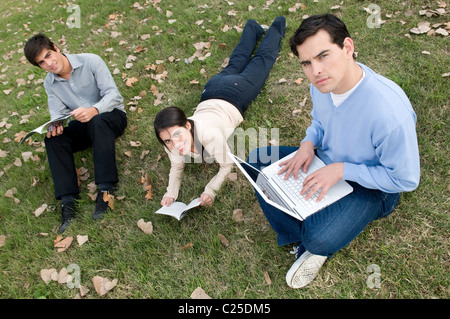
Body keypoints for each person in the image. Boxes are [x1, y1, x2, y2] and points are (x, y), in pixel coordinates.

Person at [245, 14, 420, 288]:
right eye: (307, 63)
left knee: (320, 238)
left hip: (372, 187)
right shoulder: (323, 85)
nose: (315, 71)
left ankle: (313, 238)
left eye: (323, 56)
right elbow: (319, 121)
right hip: (324, 159)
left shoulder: (389, 113)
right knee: (257, 161)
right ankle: (300, 231)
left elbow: (405, 179)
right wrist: (307, 144)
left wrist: (341, 171)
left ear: (347, 48)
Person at [153, 16, 286, 207]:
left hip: (235, 93)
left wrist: (210, 191)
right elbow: (176, 166)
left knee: (262, 61)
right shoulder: (171, 142)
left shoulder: (208, 136)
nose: (175, 144)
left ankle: (278, 24)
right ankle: (252, 26)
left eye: (177, 135)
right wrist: (170, 194)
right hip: (211, 89)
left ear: (187, 125)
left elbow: (226, 165)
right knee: (238, 59)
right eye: (167, 140)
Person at [24, 33, 127, 233]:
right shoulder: (49, 83)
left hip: (110, 116)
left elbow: (113, 95)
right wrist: (57, 124)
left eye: (48, 55)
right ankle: (68, 202)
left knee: (97, 121)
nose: (49, 63)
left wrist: (94, 110)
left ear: (56, 47)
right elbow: (58, 113)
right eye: (42, 63)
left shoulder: (91, 61)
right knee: (53, 140)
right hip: (83, 124)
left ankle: (105, 189)